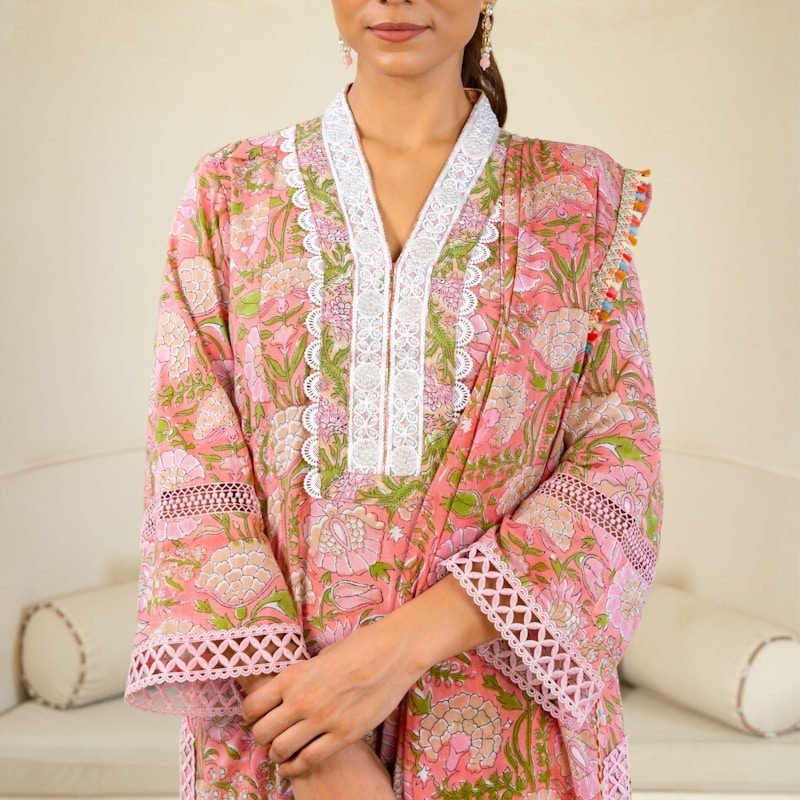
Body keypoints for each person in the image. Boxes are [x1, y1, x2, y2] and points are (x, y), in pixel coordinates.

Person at [123, 1, 662, 799]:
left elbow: (619, 466)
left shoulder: (578, 199)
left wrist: (395, 654)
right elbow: (192, 466)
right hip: (281, 736)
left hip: (510, 735)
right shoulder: (232, 193)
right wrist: (323, 753)